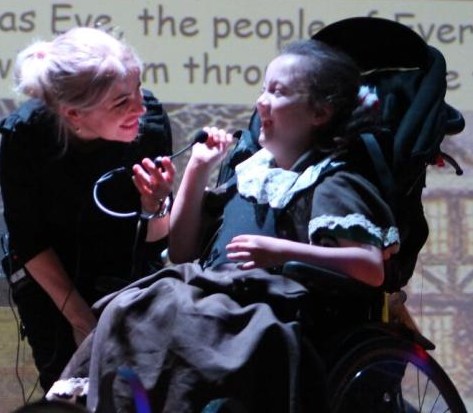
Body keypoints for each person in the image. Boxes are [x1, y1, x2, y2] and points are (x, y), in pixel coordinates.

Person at [56, 39, 399, 412]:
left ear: (319, 113)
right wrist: (199, 170)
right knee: (135, 305)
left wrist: (281, 251)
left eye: (278, 92)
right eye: (264, 89)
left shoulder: (333, 181)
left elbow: (370, 267)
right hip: (222, 295)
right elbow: (185, 251)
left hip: (276, 311)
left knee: (182, 313)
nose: (260, 103)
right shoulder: (251, 174)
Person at [0, 27, 173, 392]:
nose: (139, 106)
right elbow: (29, 242)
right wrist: (86, 325)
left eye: (139, 88)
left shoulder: (148, 121)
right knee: (67, 389)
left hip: (128, 279)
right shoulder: (26, 136)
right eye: (121, 102)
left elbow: (154, 244)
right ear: (74, 114)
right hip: (52, 285)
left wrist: (155, 206)